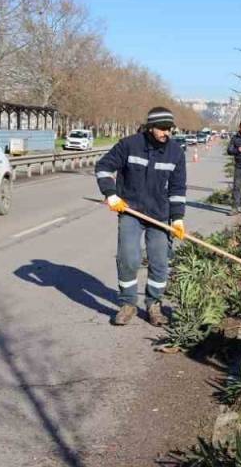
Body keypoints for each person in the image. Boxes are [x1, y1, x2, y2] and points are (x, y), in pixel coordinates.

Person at [94, 106, 188, 326]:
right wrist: (111, 194)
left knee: (159, 262)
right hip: (131, 211)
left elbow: (177, 188)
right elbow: (103, 167)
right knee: (128, 258)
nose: (167, 133)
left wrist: (177, 218)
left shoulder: (176, 152)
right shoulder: (129, 145)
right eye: (163, 128)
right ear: (150, 127)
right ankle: (127, 304)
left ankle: (154, 304)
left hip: (159, 214)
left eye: (169, 128)